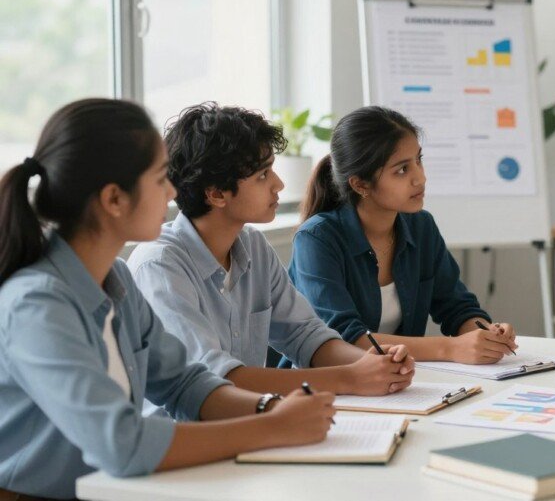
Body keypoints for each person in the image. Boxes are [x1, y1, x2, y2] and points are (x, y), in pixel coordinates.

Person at [0, 99, 335, 500]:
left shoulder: (116, 278)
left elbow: (184, 384)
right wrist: (273, 427)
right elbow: (121, 444)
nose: (174, 191)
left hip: (119, 487)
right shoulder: (36, 304)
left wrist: (268, 408)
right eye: (160, 179)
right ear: (113, 199)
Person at [128, 102, 413, 402]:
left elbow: (306, 336)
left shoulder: (252, 246)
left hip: (249, 423)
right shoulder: (159, 267)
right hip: (188, 438)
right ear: (215, 194)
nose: (279, 184)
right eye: (263, 175)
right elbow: (216, 379)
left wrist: (375, 363)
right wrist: (350, 377)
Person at [288, 106, 517, 364]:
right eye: (401, 170)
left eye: (418, 160)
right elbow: (346, 339)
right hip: (323, 387)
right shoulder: (317, 238)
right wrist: (451, 348)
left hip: (397, 382)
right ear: (360, 184)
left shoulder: (421, 227)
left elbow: (457, 307)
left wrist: (485, 334)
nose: (420, 178)